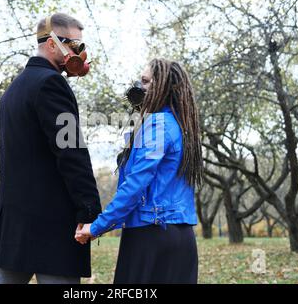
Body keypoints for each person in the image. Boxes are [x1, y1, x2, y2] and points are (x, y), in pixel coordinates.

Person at [0, 13, 102, 284]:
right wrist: (89, 210)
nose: (80, 53)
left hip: (15, 221)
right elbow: (71, 151)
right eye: (74, 45)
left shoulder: (13, 90)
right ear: (52, 44)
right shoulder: (51, 84)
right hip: (52, 223)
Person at [76, 58, 203, 284]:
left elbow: (135, 186)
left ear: (163, 86)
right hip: (181, 237)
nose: (138, 86)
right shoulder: (180, 125)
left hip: (151, 235)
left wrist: (96, 227)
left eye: (145, 81)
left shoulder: (157, 125)